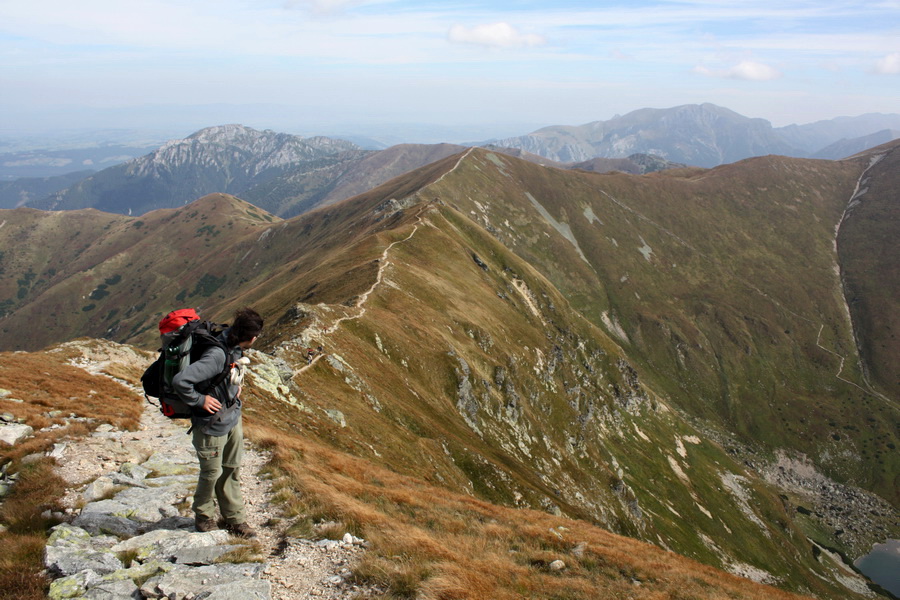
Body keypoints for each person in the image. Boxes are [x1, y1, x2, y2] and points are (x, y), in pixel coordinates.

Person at [172, 307, 264, 538]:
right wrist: (200, 400)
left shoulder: (231, 344)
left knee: (231, 469)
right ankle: (203, 518)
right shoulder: (218, 354)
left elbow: (223, 375)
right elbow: (181, 380)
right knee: (211, 473)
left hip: (232, 417)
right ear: (251, 337)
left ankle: (235, 519)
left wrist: (233, 388)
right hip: (211, 424)